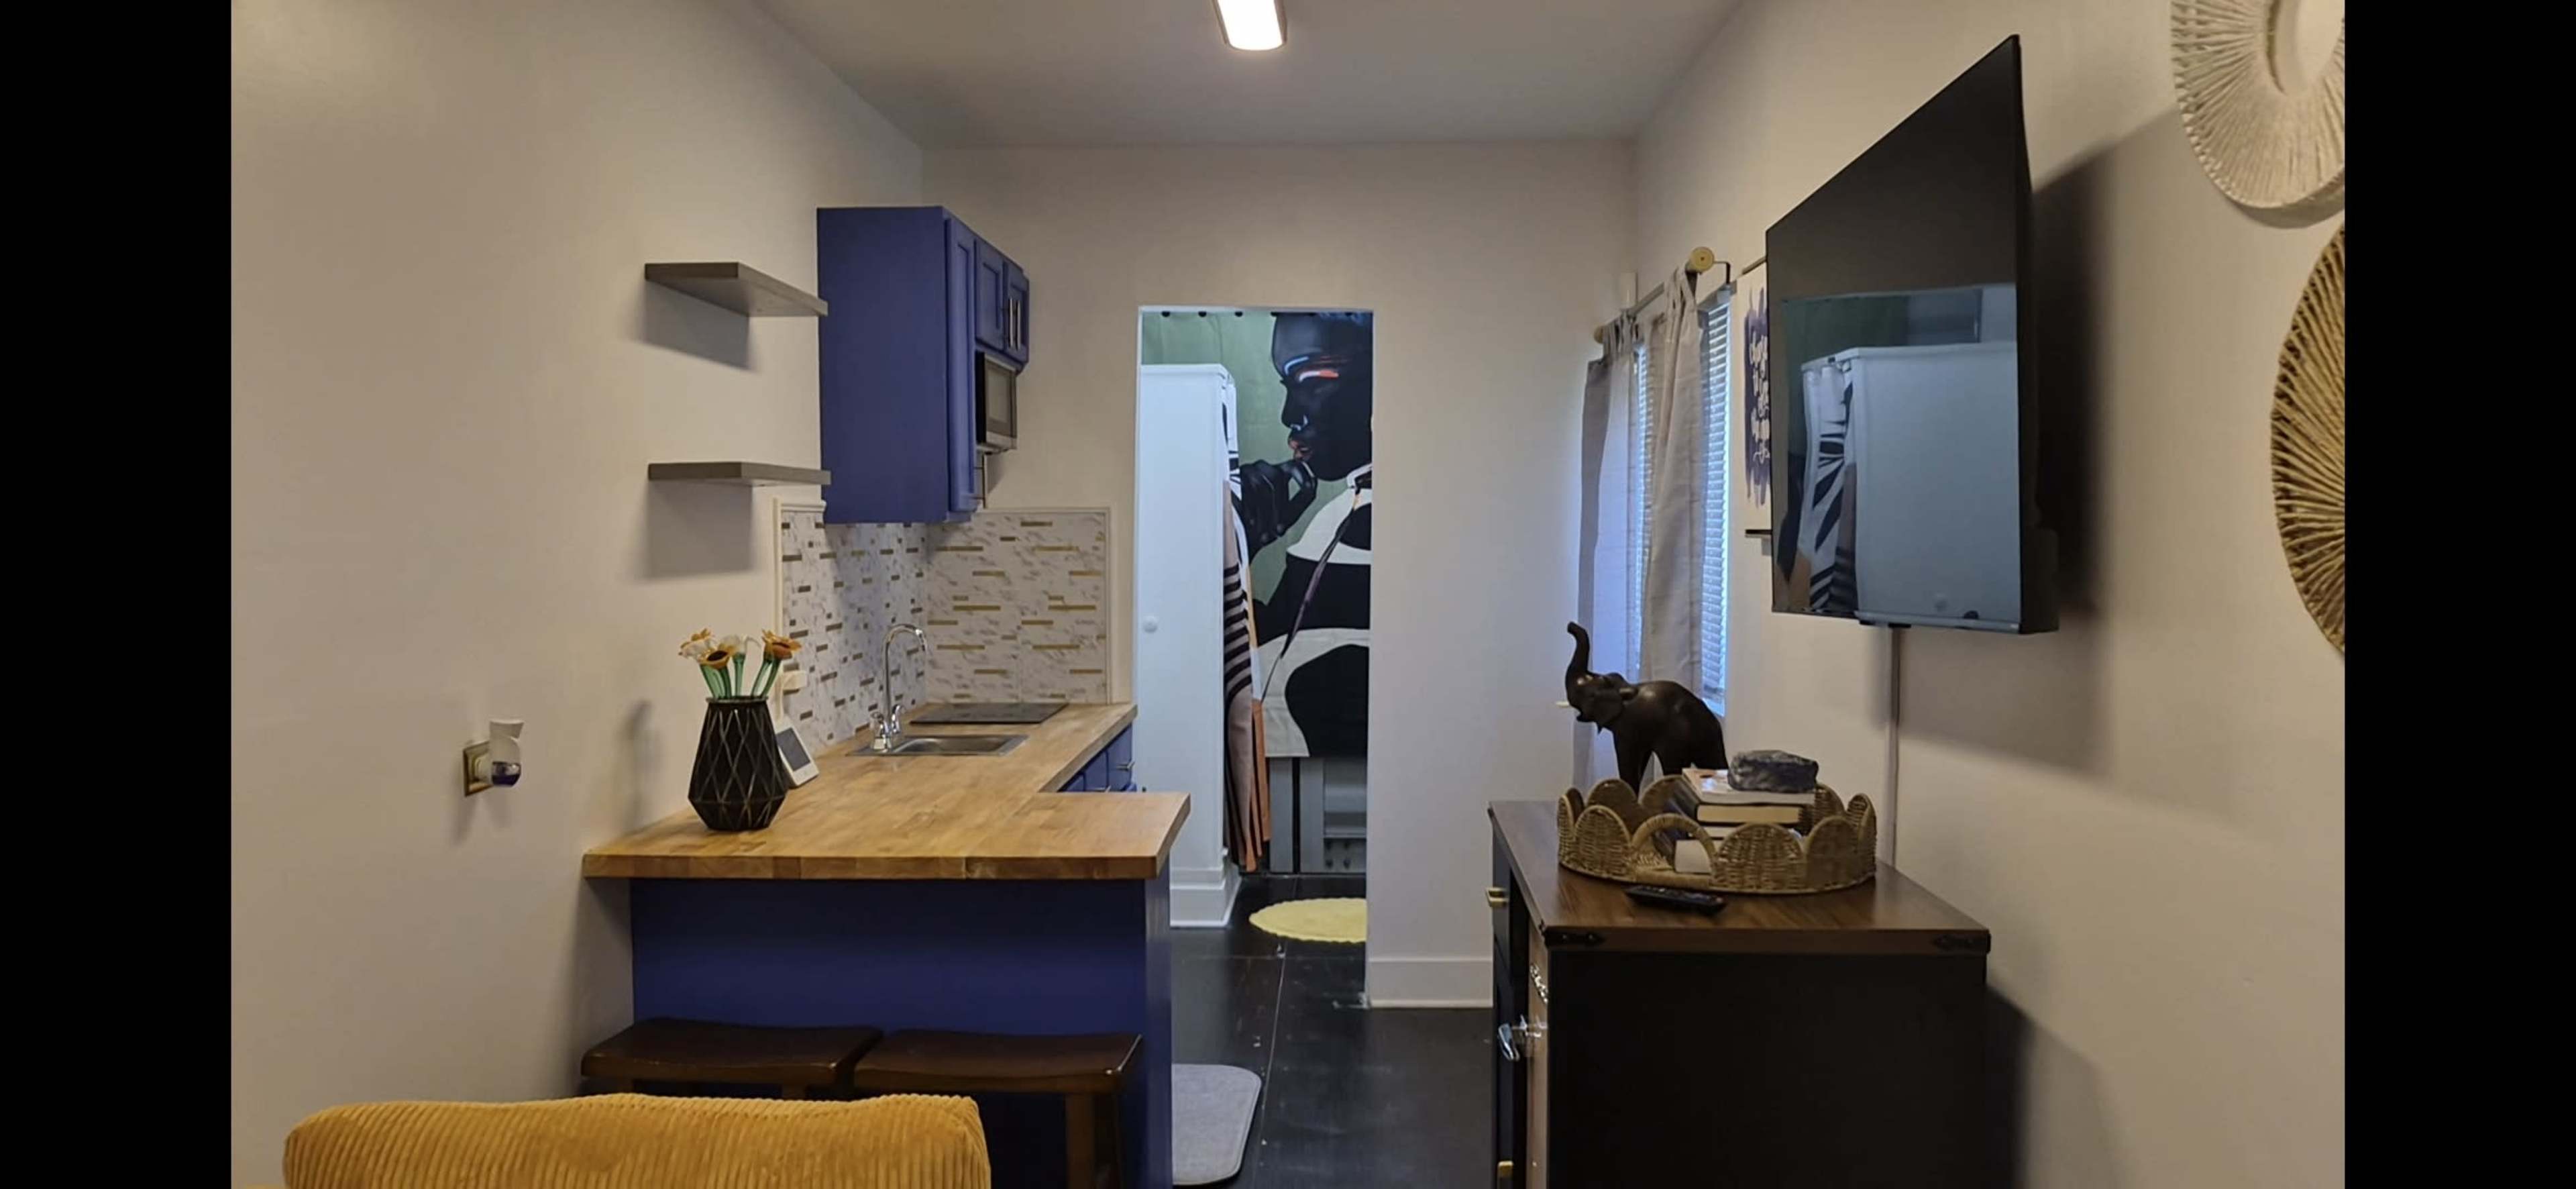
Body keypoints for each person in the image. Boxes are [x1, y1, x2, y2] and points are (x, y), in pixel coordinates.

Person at [1234, 311, 1373, 759]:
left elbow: (1282, 670)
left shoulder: (1371, 521)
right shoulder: (1346, 512)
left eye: (1314, 380)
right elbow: (1273, 650)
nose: (1290, 414)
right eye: (1287, 387)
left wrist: (1240, 551)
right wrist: (1244, 547)